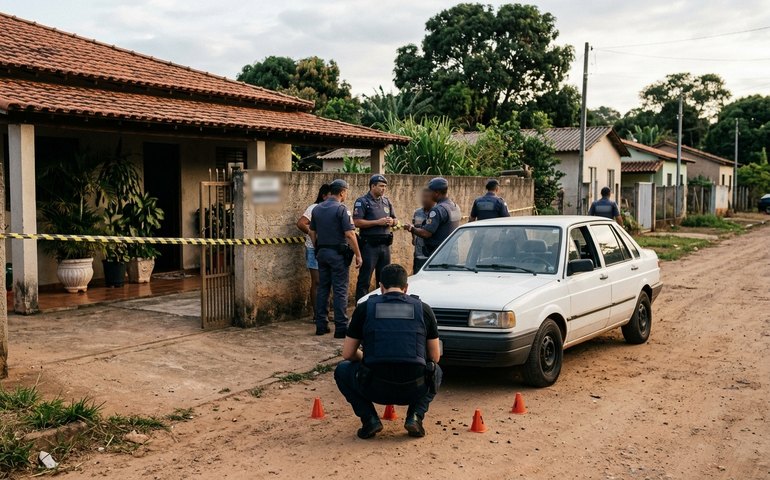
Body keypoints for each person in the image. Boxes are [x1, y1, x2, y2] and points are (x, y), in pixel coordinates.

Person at [334, 264, 442, 439]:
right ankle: (415, 417)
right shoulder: (424, 309)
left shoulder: (364, 308)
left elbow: (348, 354)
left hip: (374, 386)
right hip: (414, 387)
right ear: (406, 288)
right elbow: (434, 356)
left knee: (342, 370)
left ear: (381, 286)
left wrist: (365, 357)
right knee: (436, 371)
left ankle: (370, 420)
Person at [309, 179, 363, 338]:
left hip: (322, 253)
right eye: (346, 192)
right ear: (342, 192)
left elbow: (312, 232)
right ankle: (341, 328)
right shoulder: (341, 209)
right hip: (338, 255)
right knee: (340, 290)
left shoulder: (317, 208)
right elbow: (350, 234)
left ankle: (321, 325)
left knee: (323, 288)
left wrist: (317, 247)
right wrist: (358, 255)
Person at [353, 174, 396, 301]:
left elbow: (395, 219)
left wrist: (392, 222)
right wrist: (377, 222)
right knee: (364, 279)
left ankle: (382, 305)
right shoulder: (363, 201)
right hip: (369, 246)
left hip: (385, 246)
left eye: (385, 186)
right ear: (373, 186)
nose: (384, 189)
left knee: (384, 279)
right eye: (381, 186)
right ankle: (361, 306)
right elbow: (356, 222)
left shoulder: (386, 201)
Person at [296, 184, 331, 320]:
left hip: (328, 249)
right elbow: (301, 223)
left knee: (327, 282)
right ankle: (317, 314)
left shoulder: (333, 208)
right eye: (330, 195)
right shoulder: (314, 208)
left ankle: (325, 312)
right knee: (317, 282)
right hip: (314, 249)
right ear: (324, 196)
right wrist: (313, 234)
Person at [405, 177, 462, 257]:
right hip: (453, 254)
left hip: (439, 256)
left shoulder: (438, 210)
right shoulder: (455, 206)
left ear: (436, 193)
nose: (429, 194)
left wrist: (411, 228)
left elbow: (426, 233)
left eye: (430, 192)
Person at [411, 188, 435, 273]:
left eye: (427, 197)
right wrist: (413, 238)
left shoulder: (436, 213)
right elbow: (414, 226)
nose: (424, 199)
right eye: (423, 197)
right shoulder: (417, 212)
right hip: (419, 254)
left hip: (432, 255)